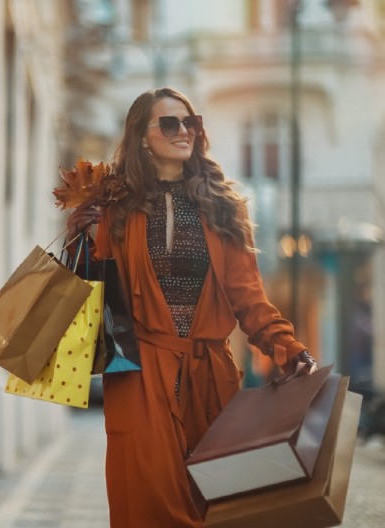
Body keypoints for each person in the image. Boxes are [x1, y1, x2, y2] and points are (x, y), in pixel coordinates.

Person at [65, 87, 318, 527]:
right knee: (150, 501)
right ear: (142, 136)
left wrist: (287, 348)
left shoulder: (223, 207)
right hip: (140, 373)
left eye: (190, 122)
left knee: (213, 504)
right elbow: (96, 296)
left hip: (210, 376)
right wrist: (79, 238)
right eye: (169, 123)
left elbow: (248, 297)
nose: (183, 131)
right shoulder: (116, 209)